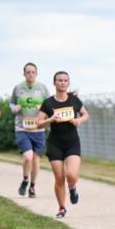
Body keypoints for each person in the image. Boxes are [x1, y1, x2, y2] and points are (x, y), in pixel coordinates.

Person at [37, 71, 88, 219]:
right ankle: (62, 208)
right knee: (59, 178)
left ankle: (72, 188)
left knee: (71, 175)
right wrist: (50, 119)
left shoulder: (74, 100)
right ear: (54, 83)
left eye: (65, 80)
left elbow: (86, 114)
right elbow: (38, 123)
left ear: (68, 83)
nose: (63, 83)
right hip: (55, 143)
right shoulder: (48, 103)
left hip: (72, 142)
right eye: (60, 80)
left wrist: (79, 120)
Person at [10, 63, 49, 198]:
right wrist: (14, 108)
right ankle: (25, 179)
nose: (30, 74)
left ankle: (32, 186)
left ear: (36, 74)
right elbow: (12, 103)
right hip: (22, 127)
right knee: (28, 156)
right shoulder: (18, 88)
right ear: (24, 74)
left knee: (36, 159)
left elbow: (50, 105)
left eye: (33, 72)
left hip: (38, 128)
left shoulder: (43, 88)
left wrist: (43, 108)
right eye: (28, 72)